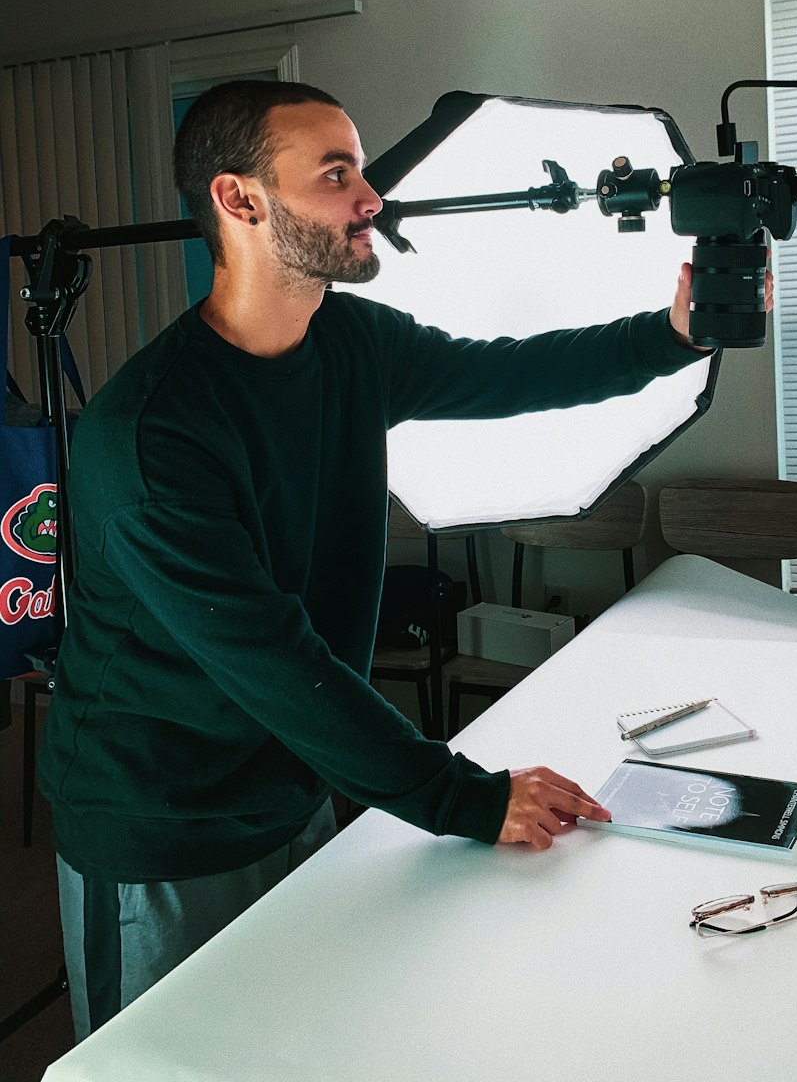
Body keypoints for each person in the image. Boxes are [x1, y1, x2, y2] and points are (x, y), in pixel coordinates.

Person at [39, 79, 713, 1040]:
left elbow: (508, 372)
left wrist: (672, 336)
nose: (372, 198)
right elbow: (276, 660)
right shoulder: (155, 436)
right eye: (336, 173)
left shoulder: (349, 339)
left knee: (300, 1036)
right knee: (166, 1059)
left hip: (295, 780)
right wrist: (467, 798)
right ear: (240, 201)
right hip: (161, 817)